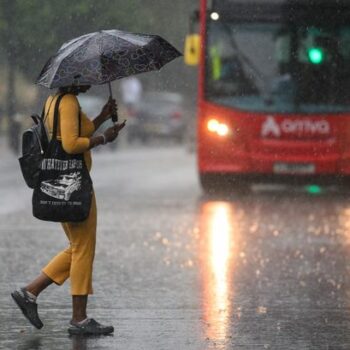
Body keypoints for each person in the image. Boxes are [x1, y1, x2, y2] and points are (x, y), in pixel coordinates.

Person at [11, 84, 126, 336]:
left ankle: (29, 292)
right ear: (73, 77)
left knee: (77, 247)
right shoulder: (69, 102)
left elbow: (69, 133)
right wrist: (105, 138)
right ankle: (79, 318)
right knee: (83, 249)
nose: (89, 82)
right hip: (73, 186)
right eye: (85, 78)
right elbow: (72, 145)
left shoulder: (55, 100)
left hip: (60, 185)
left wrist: (102, 117)